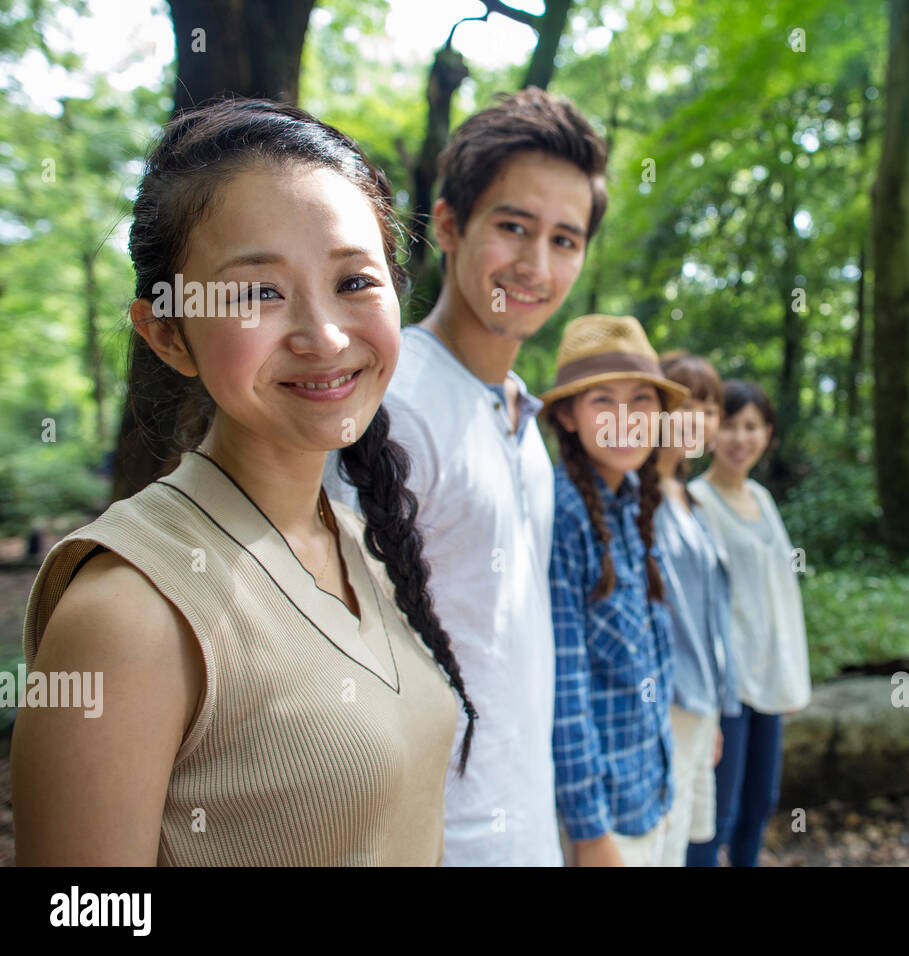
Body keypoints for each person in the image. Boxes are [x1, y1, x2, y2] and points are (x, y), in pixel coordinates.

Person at [11, 98, 473, 865]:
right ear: (167, 334)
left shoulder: (361, 544)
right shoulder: (127, 613)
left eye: (355, 281)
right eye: (257, 292)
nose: (324, 336)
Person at [324, 87, 608, 866]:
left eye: (565, 239)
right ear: (448, 224)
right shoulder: (393, 406)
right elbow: (328, 655)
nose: (535, 264)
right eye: (513, 226)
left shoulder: (523, 418)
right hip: (430, 839)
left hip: (523, 821)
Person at [543, 314, 687, 866]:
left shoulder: (631, 500)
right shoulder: (566, 513)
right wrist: (590, 830)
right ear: (567, 416)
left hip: (650, 788)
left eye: (642, 400)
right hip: (604, 819)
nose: (626, 420)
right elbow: (567, 684)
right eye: (603, 401)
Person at [687, 380, 812, 866]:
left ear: (769, 434)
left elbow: (782, 596)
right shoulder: (697, 500)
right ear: (711, 430)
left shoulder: (762, 498)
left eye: (753, 426)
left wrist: (791, 675)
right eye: (731, 425)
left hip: (768, 678)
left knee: (760, 803)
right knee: (716, 812)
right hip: (726, 687)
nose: (741, 438)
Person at [653, 352, 741, 867]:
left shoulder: (688, 499)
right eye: (685, 403)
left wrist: (715, 714)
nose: (700, 419)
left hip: (699, 704)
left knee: (686, 840)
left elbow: (710, 615)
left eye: (711, 409)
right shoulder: (638, 496)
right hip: (662, 704)